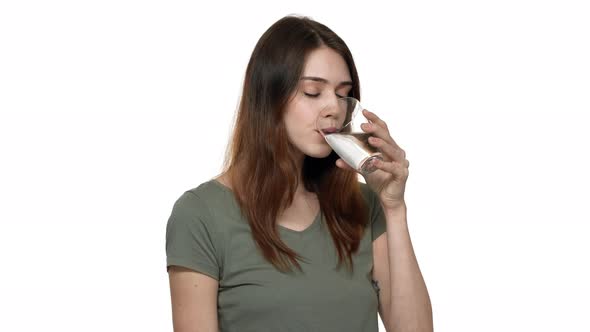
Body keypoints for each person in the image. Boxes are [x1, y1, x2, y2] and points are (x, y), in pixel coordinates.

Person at [165, 15, 433, 332]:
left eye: (342, 93)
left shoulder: (363, 206)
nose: (333, 107)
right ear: (269, 97)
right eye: (312, 92)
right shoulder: (201, 215)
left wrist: (394, 208)